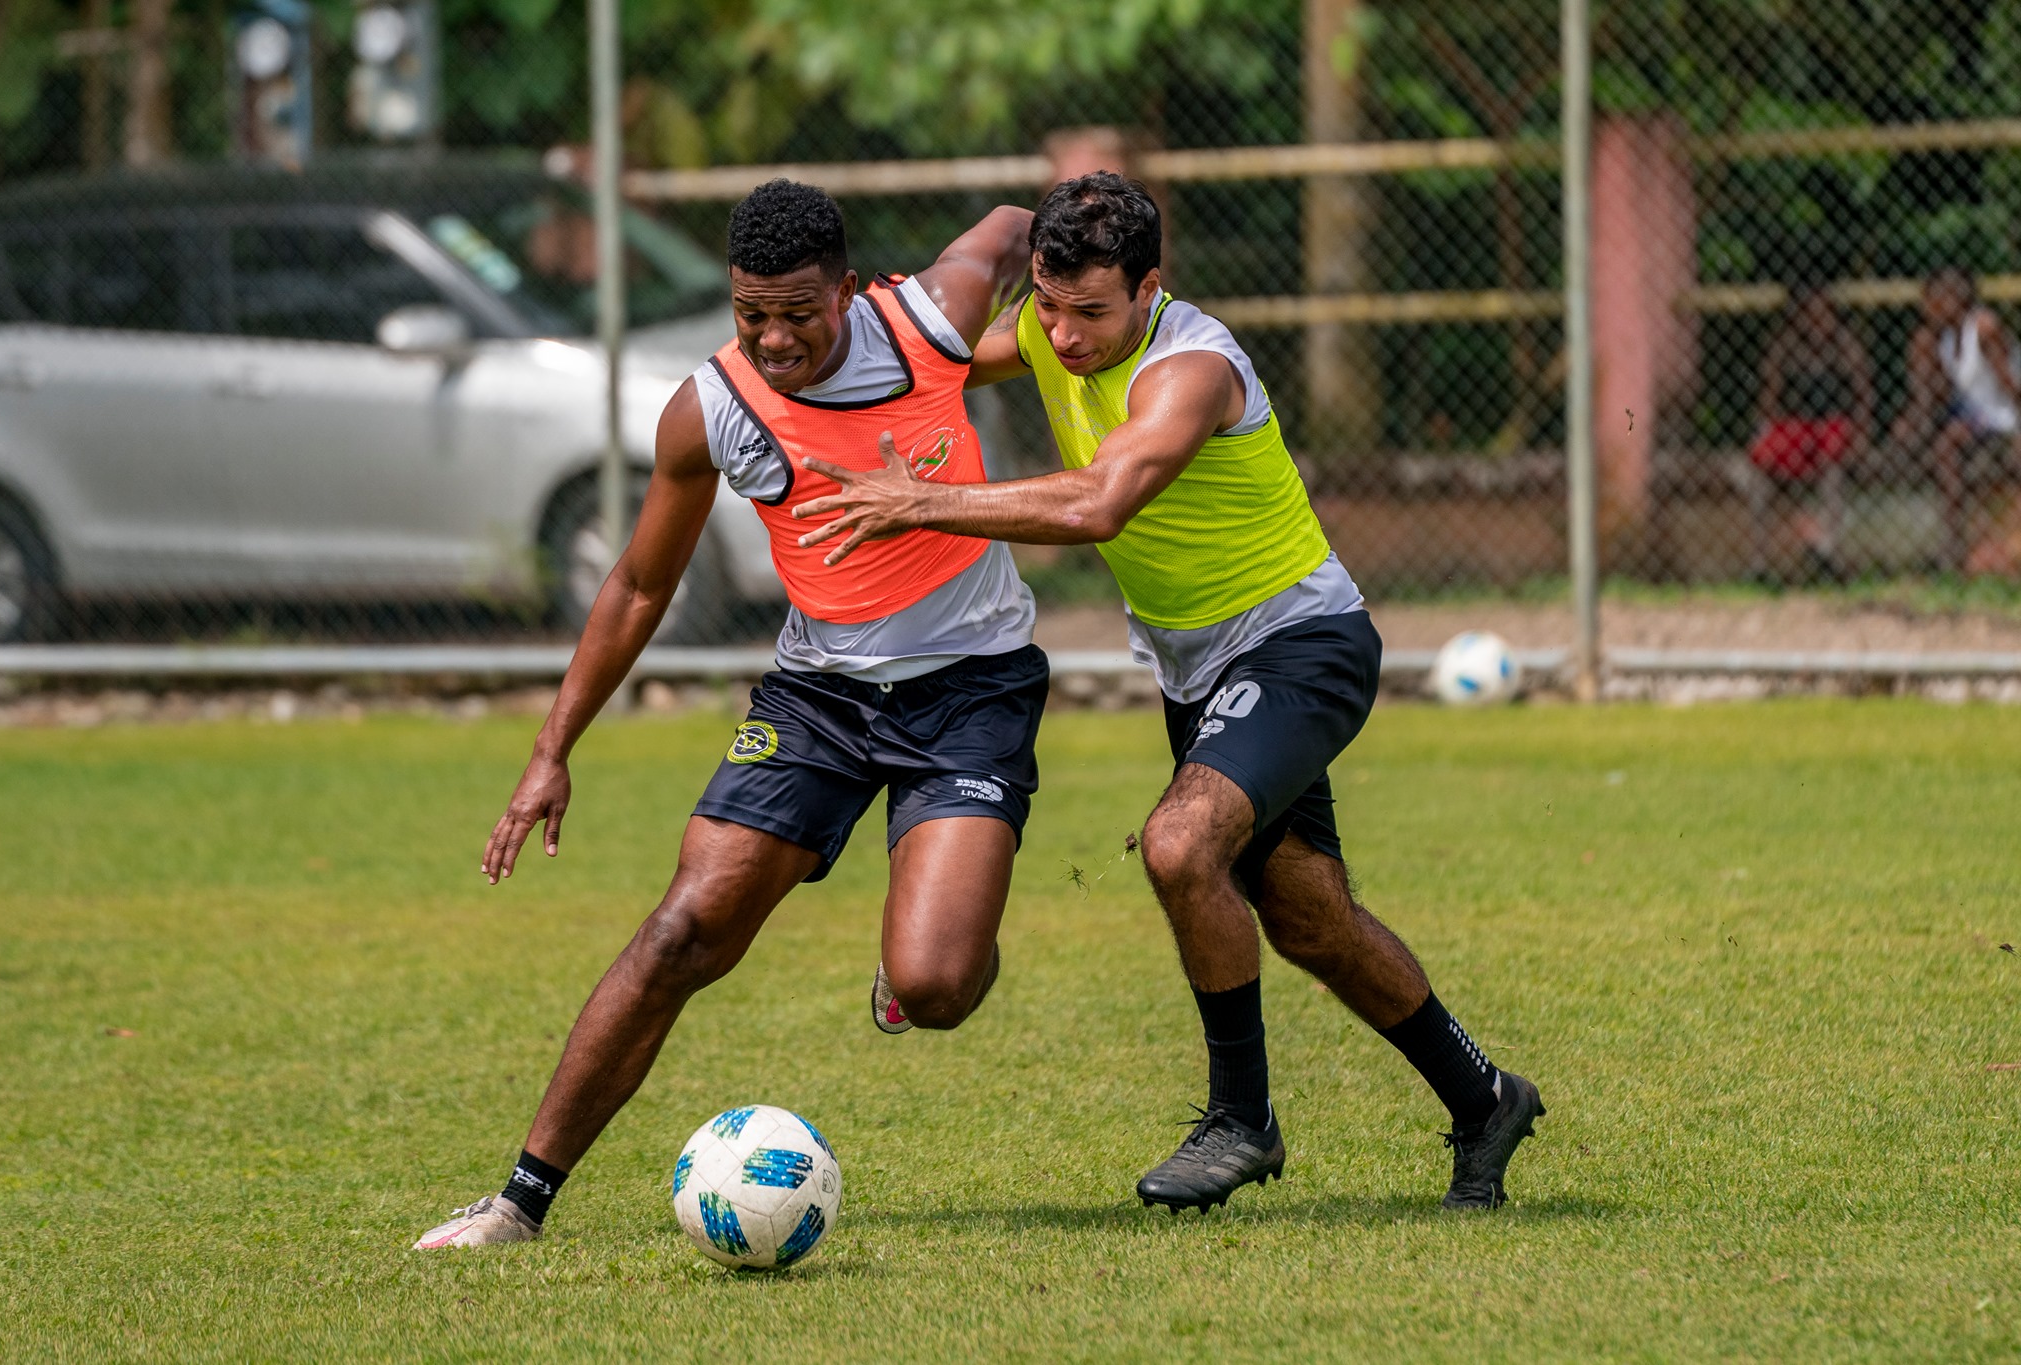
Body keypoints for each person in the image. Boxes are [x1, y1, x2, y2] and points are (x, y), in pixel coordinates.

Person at [791, 172, 1543, 1213]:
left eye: (1091, 312)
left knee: (1179, 845)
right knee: (1308, 920)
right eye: (1046, 307)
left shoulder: (1191, 368)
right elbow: (937, 351)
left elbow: (1101, 501)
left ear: (1150, 286)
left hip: (1298, 645)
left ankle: (1240, 1122)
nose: (1061, 335)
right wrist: (841, 337)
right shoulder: (1047, 323)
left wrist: (920, 501)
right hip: (1198, 670)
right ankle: (1484, 1096)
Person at [415, 180, 1042, 1249]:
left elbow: (1022, 225)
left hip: (970, 685)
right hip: (818, 698)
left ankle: (924, 947)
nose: (774, 336)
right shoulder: (710, 409)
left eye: (799, 310)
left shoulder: (932, 316)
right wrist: (549, 749)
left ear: (848, 289)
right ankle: (518, 1201)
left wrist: (1094, 252)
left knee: (937, 984)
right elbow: (637, 586)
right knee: (680, 930)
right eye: (751, 312)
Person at [1890, 268, 2021, 571]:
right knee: (1940, 436)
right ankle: (1951, 545)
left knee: (1949, 439)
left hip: (2001, 415)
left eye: (1932, 300)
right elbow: (1937, 397)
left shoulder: (1983, 328)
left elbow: (2011, 387)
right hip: (1972, 416)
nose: (1926, 308)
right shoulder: (1946, 338)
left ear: (1954, 299)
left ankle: (1952, 546)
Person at [1746, 281, 1872, 584]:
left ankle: (1828, 548)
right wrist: (1764, 432)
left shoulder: (1845, 346)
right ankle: (1759, 560)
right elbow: (1770, 397)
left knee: (1833, 468)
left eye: (1824, 315)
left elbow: (1863, 396)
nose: (1818, 323)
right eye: (1810, 315)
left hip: (1833, 425)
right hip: (1794, 427)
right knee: (1758, 473)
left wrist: (1862, 434)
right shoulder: (1786, 347)